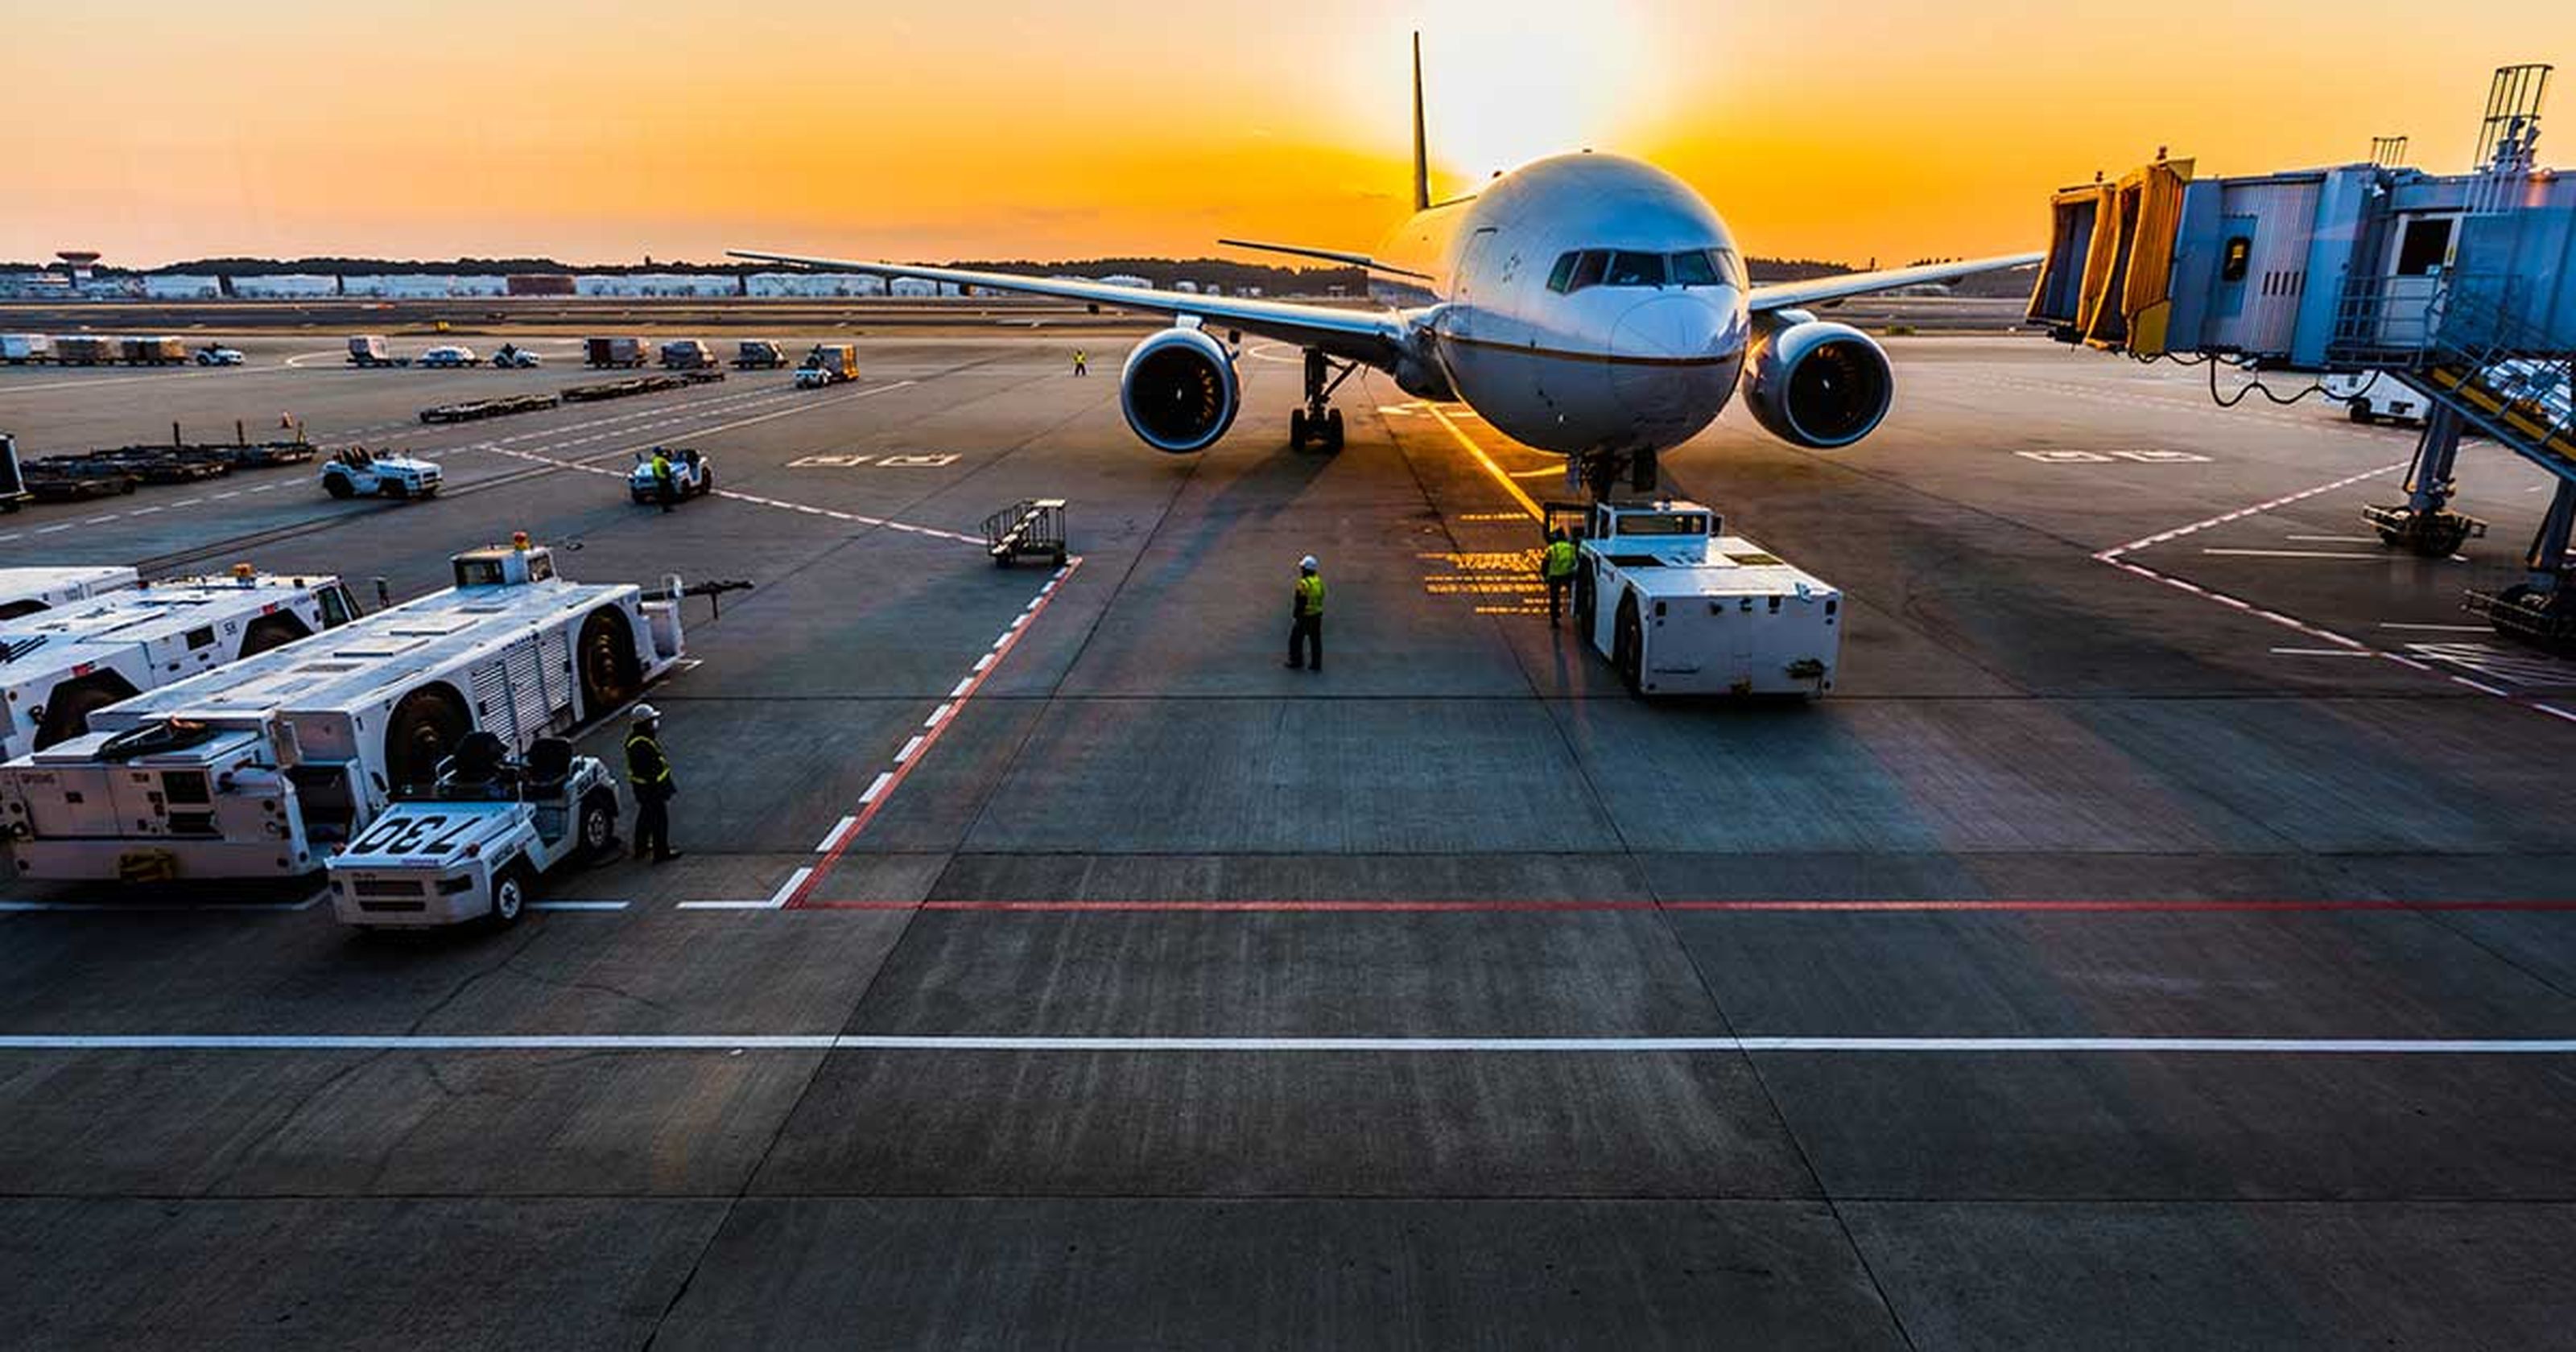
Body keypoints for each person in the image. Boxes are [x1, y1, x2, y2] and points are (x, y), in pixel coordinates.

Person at [625, 703, 681, 863]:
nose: (655, 724)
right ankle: (661, 853)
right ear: (644, 723)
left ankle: (641, 848)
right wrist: (659, 788)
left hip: (644, 788)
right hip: (651, 789)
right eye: (652, 721)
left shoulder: (637, 739)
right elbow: (650, 770)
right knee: (659, 821)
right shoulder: (641, 744)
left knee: (645, 817)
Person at [1285, 554, 1325, 673]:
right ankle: (1316, 664)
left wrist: (1296, 615)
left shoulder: (1303, 584)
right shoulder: (1319, 581)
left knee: (1295, 640)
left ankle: (1296, 661)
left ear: (1306, 569)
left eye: (1302, 568)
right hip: (1317, 615)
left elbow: (1300, 601)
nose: (1301, 570)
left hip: (1305, 616)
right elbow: (1322, 595)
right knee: (1316, 641)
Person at [1542, 528, 1579, 627]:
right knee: (1573, 593)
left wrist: (1544, 576)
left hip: (1554, 576)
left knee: (1554, 598)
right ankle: (1577, 611)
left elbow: (1545, 563)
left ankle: (1555, 619)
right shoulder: (1571, 547)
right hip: (1568, 574)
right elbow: (1575, 561)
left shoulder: (1552, 548)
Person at [650, 447, 676, 513]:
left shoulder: (656, 460)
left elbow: (654, 470)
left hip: (660, 479)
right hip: (664, 479)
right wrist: (668, 477)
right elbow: (665, 469)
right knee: (668, 493)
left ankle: (665, 507)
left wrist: (656, 477)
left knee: (663, 493)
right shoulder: (661, 460)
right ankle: (667, 507)